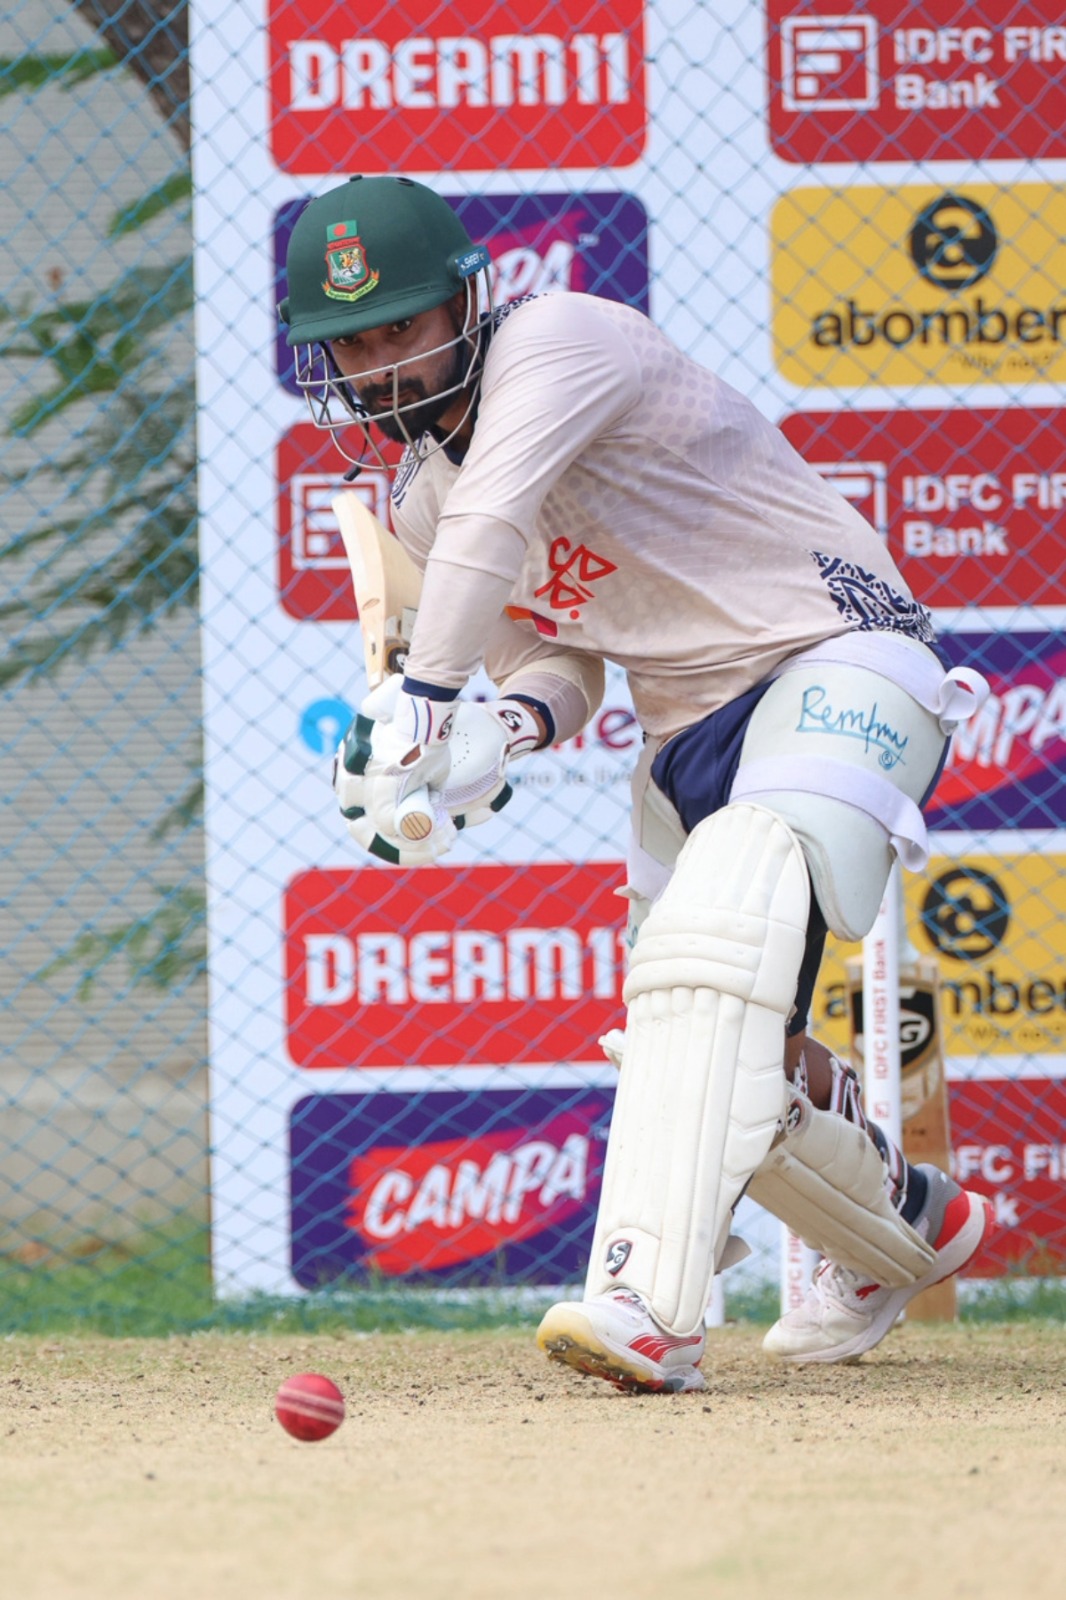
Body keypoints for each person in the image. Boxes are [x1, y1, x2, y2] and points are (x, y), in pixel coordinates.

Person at [282, 175, 993, 1393]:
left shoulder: (560, 341)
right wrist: (490, 735)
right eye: (354, 342)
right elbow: (556, 652)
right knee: (703, 1045)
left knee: (707, 971)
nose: (383, 365)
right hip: (686, 731)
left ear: (468, 300)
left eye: (402, 327)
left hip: (836, 655)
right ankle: (900, 1229)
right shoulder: (418, 497)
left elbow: (497, 517)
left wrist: (420, 700)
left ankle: (645, 1309)